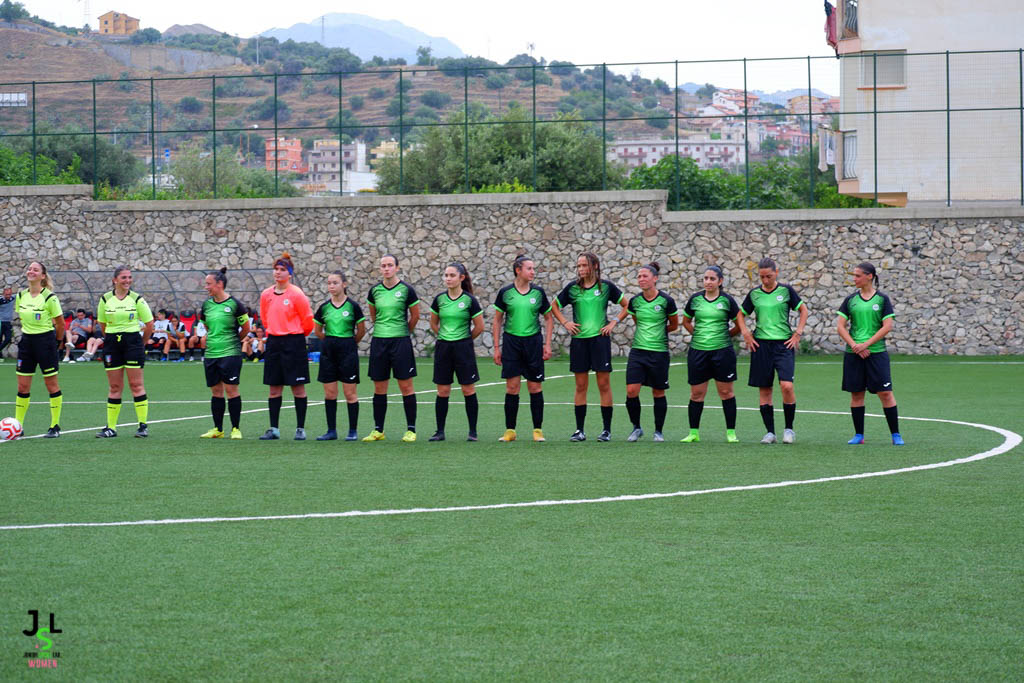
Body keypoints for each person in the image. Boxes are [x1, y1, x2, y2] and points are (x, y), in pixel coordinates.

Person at [552, 252, 627, 442]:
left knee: (603, 384)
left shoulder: (606, 287)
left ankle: (606, 430)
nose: (581, 269)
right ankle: (579, 430)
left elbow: (628, 305)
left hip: (600, 341)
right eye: (578, 266)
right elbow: (554, 306)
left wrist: (613, 322)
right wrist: (565, 323)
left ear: (594, 266)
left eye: (584, 265)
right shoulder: (573, 289)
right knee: (580, 386)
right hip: (579, 342)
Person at [740, 258, 809, 444]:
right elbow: (740, 315)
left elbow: (803, 310)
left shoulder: (786, 291)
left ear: (776, 273)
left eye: (769, 276)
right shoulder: (754, 294)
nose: (765, 280)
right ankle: (770, 432)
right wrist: (746, 334)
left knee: (787, 386)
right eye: (762, 276)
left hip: (783, 345)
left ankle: (789, 429)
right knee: (765, 389)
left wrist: (798, 333)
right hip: (761, 345)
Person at [837, 262, 903, 445]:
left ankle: (895, 434)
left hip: (876, 353)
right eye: (854, 275)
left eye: (858, 275)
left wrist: (866, 344)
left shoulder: (882, 299)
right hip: (854, 354)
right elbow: (840, 326)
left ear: (869, 276)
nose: (854, 279)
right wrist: (855, 345)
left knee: (885, 393)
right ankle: (859, 435)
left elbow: (887, 326)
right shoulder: (850, 300)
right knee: (856, 394)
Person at [680, 265, 748, 443]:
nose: (708, 282)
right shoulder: (695, 299)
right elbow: (685, 321)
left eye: (712, 279)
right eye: (705, 278)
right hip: (698, 352)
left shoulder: (727, 300)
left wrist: (726, 336)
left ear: (720, 281)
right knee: (696, 394)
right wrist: (698, 335)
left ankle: (731, 433)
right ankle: (693, 433)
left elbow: (739, 324)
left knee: (726, 392)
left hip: (722, 352)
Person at [493, 254, 554, 442]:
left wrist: (547, 344)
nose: (533, 272)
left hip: (533, 343)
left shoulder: (538, 292)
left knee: (535, 387)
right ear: (518, 270)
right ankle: (510, 430)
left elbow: (548, 318)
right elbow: (497, 320)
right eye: (529, 268)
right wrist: (496, 347)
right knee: (512, 387)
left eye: (533, 268)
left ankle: (537, 430)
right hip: (512, 343)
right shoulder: (505, 292)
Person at [363, 254, 420, 443]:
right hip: (380, 341)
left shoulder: (406, 290)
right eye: (383, 266)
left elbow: (415, 316)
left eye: (389, 265)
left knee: (406, 386)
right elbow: (373, 316)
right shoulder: (374, 291)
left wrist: (403, 332)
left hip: (400, 342)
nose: (386, 268)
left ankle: (411, 430)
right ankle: (378, 430)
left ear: (397, 267)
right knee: (379, 386)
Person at [259, 252, 315, 441]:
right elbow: (265, 318)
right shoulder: (266, 294)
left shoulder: (296, 294)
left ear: (289, 273)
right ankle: (273, 428)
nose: (278, 273)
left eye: (282, 270)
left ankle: (300, 428)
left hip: (294, 342)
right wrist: (274, 331)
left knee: (298, 387)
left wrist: (296, 335)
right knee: (274, 388)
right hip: (274, 342)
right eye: (276, 269)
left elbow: (308, 321)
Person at [96, 266, 155, 438]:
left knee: (136, 385)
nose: (127, 280)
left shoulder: (137, 299)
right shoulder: (105, 299)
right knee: (115, 387)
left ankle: (142, 426)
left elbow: (149, 324)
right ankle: (111, 428)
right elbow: (102, 324)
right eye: (123, 278)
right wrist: (112, 338)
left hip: (133, 343)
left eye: (129, 277)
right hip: (113, 344)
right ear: (115, 280)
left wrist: (141, 343)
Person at [428, 262, 484, 442]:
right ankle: (439, 431)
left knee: (468, 389)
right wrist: (445, 337)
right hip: (444, 347)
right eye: (446, 275)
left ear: (461, 278)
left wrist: (464, 340)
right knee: (443, 390)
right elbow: (433, 323)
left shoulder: (469, 300)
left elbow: (479, 326)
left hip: (463, 348)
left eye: (452, 275)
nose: (448, 279)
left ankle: (473, 432)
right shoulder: (439, 300)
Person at [623, 262, 677, 442]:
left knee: (658, 392)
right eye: (639, 276)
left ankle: (658, 431)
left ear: (655, 278)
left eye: (645, 276)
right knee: (631, 391)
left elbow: (674, 324)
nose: (641, 279)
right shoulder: (635, 301)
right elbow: (636, 320)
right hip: (638, 352)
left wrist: (658, 333)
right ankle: (636, 427)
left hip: (659, 353)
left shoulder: (666, 301)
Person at [12, 262, 65, 438]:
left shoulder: (50, 297)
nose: (31, 271)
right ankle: (18, 426)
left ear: (43, 276)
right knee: (23, 386)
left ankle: (55, 426)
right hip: (27, 343)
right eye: (29, 268)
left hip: (46, 341)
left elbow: (60, 324)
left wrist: (57, 343)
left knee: (51, 385)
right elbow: (22, 320)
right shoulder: (21, 296)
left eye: (35, 269)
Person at [198, 268, 251, 440]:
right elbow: (206, 326)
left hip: (230, 353)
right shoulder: (206, 305)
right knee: (216, 391)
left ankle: (235, 428)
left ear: (219, 284)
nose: (206, 287)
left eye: (209, 284)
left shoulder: (235, 304)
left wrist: (234, 341)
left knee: (231, 390)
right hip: (212, 353)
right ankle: (218, 429)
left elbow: (246, 328)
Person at [313, 271, 366, 441]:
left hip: (347, 350)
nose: (331, 286)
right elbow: (318, 331)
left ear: (344, 284)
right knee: (330, 393)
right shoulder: (324, 307)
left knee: (350, 393)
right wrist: (330, 341)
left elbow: (361, 331)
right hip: (329, 351)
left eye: (335, 282)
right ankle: (331, 431)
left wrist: (349, 343)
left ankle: (352, 431)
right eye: (329, 283)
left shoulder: (353, 306)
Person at [0, 285, 14, 361]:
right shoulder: (0, 300)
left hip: (8, 323)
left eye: (9, 294)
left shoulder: (13, 298)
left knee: (8, 339)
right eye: (6, 294)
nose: (8, 296)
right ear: (3, 294)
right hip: (0, 322)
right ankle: (0, 356)